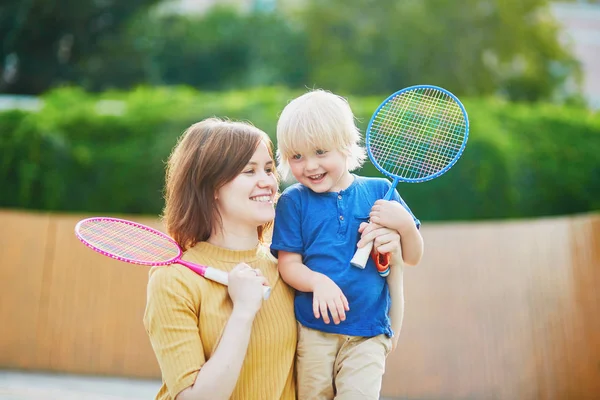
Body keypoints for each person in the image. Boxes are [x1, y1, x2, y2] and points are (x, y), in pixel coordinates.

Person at [270, 89, 425, 400]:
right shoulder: (293, 201)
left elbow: (412, 257)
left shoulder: (380, 191)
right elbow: (288, 264)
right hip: (314, 331)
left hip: (368, 332)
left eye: (320, 152)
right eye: (297, 156)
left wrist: (405, 224)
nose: (310, 166)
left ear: (345, 146)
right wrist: (318, 283)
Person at [143, 118, 297, 400]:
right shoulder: (174, 280)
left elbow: (374, 341)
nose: (267, 182)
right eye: (249, 171)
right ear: (211, 186)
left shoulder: (290, 269)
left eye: (269, 169)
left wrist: (393, 266)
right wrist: (243, 311)